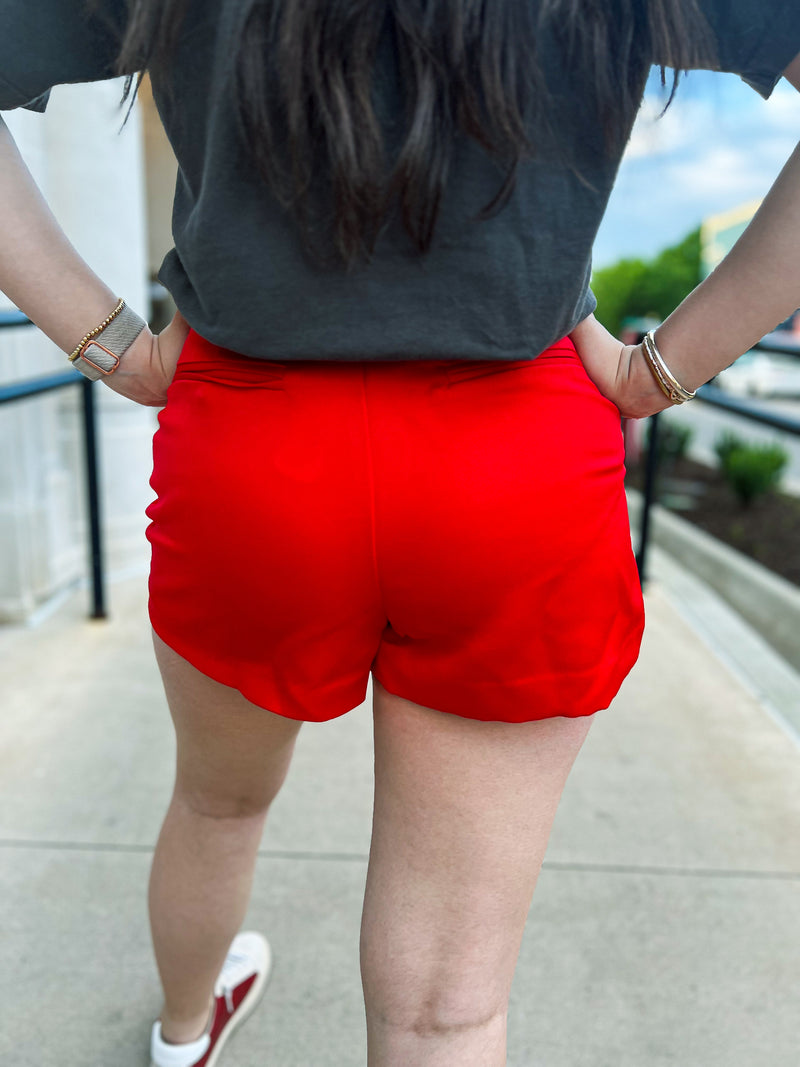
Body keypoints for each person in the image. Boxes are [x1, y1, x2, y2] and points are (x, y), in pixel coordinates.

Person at [2, 2, 799, 1064]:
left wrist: (106, 340)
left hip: (253, 448)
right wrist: (668, 363)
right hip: (516, 460)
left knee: (217, 803)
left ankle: (183, 1034)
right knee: (446, 1007)